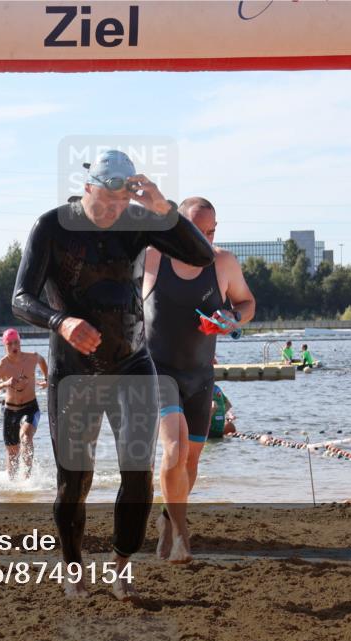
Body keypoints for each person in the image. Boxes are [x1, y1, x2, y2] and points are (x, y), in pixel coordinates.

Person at [12, 149, 214, 600]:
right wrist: (59, 321)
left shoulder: (140, 221)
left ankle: (121, 565)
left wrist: (164, 209)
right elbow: (20, 298)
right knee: (73, 481)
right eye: (104, 201)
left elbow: (200, 257)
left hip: (131, 364)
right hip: (73, 370)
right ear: (87, 189)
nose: (112, 212)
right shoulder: (51, 226)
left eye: (121, 203)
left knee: (138, 473)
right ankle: (72, 566)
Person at [143, 196, 255, 563]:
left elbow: (247, 302)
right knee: (173, 450)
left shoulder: (222, 262)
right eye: (196, 230)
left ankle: (166, 519)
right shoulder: (153, 257)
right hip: (159, 370)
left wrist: (233, 319)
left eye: (211, 231)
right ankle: (181, 533)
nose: (205, 239)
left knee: (190, 462)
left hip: (201, 374)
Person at [0, 328, 47, 479]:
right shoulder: (1, 366)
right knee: (13, 454)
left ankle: (26, 479)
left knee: (26, 437)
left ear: (20, 342)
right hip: (11, 410)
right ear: (5, 345)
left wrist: (47, 379)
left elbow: (42, 360)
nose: (14, 346)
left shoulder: (31, 358)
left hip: (31, 407)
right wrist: (4, 385)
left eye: (16, 342)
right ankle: (12, 483)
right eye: (10, 344)